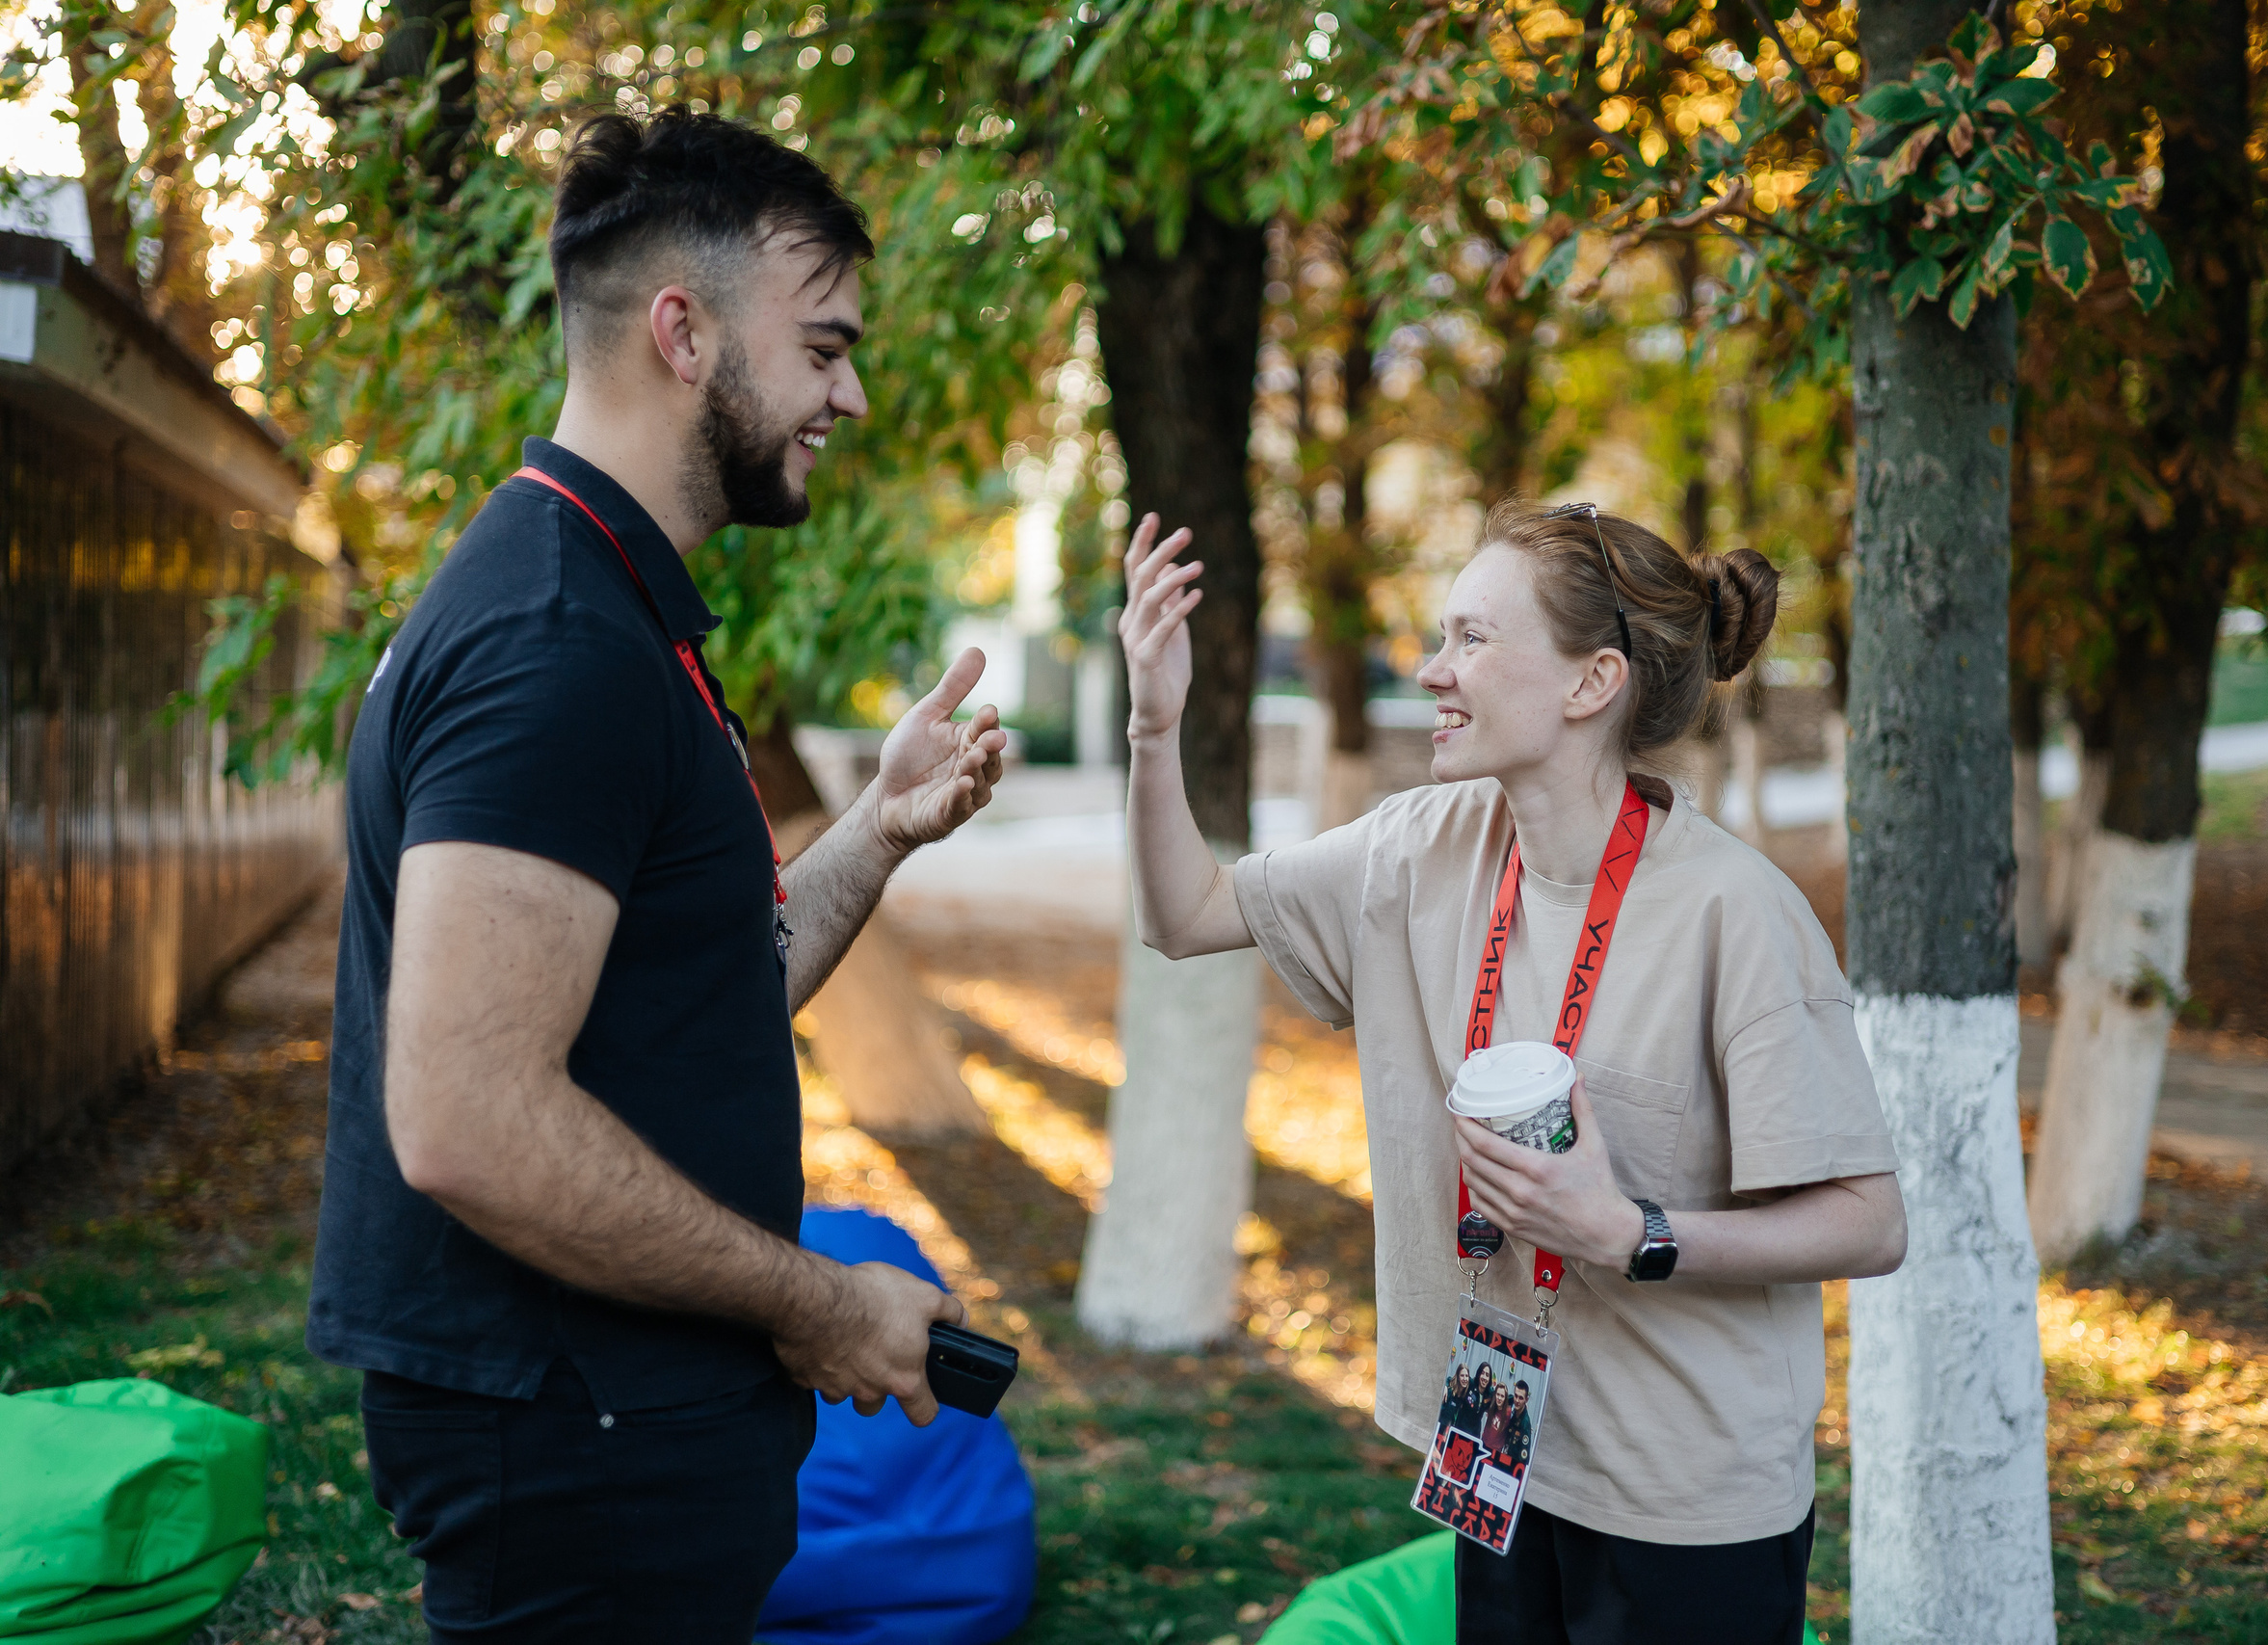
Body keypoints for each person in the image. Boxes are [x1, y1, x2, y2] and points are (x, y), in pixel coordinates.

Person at [307, 109, 1006, 1643]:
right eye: (823, 347)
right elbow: (468, 1117)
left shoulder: (606, 604)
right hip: (575, 1434)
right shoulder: (556, 642)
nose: (852, 391)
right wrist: (823, 1304)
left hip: (613, 1424)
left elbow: (699, 993)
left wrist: (875, 830)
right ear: (684, 333)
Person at [1120, 499, 1908, 1645]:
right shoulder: (1418, 846)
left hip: (1682, 1504)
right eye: (1442, 637)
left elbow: (1868, 1223)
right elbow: (1185, 914)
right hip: (1495, 1452)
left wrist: (1627, 1233)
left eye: (1472, 640)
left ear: (1592, 684)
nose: (1434, 671)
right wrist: (1154, 726)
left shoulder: (1735, 914)